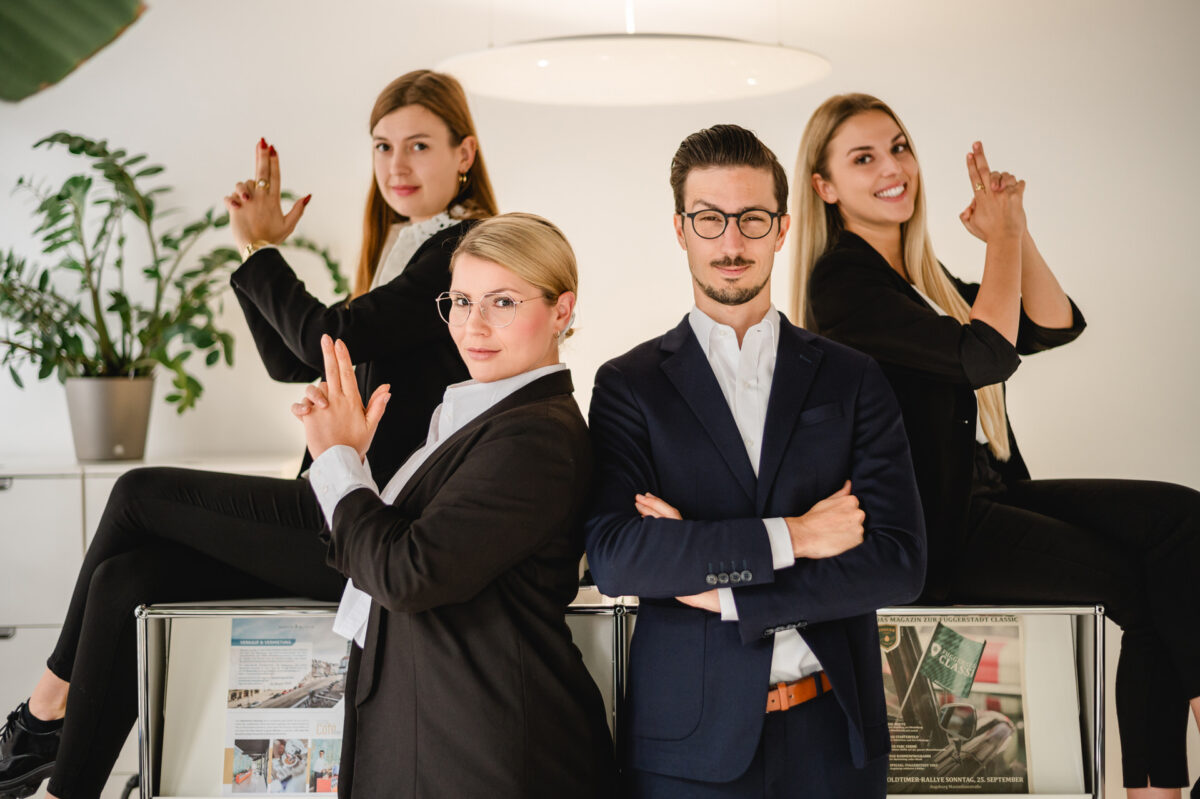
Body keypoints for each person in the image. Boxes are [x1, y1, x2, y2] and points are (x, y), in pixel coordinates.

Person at [0, 70, 497, 799]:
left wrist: (263, 250)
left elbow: (328, 330)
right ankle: (63, 789)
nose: (396, 164)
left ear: (464, 154)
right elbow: (292, 359)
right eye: (382, 145)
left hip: (367, 527)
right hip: (333, 509)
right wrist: (252, 253)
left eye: (419, 145)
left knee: (137, 493)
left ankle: (42, 712)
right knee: (126, 579)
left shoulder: (461, 252)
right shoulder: (406, 246)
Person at [793, 92, 1200, 798]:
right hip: (939, 533)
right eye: (864, 158)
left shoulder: (920, 281)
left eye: (899, 147)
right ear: (825, 187)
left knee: (1181, 521)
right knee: (1147, 585)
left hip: (991, 494)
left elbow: (1051, 323)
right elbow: (985, 355)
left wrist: (1016, 229)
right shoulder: (843, 283)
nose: (893, 168)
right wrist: (1001, 237)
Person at [584, 124, 925, 798]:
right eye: (709, 219)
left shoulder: (852, 377)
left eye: (752, 219)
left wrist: (728, 593)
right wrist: (797, 535)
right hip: (687, 751)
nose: (732, 243)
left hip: (836, 737)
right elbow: (619, 557)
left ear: (783, 228)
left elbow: (898, 561)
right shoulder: (630, 384)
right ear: (681, 229)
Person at [296, 213, 615, 797]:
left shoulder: (535, 436)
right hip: (443, 738)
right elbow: (378, 549)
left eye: (503, 303)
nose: (474, 325)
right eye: (462, 302)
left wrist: (338, 460)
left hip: (490, 755)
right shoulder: (480, 415)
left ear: (561, 312)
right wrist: (352, 461)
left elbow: (407, 573)